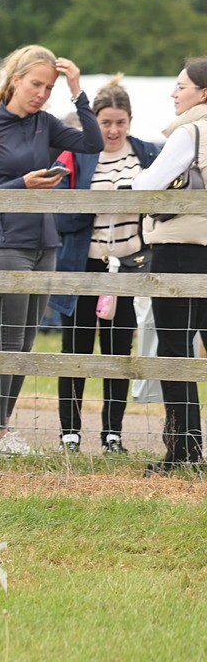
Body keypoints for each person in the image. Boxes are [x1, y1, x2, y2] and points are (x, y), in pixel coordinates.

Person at [0, 45, 104, 457]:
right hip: (6, 243)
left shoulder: (47, 124)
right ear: (15, 79)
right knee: (8, 342)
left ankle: (1, 433)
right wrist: (22, 185)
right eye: (36, 84)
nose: (41, 93)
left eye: (49, 86)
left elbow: (92, 143)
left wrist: (77, 90)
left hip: (46, 243)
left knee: (25, 345)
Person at [51, 77, 160, 456]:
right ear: (92, 122)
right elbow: (58, 215)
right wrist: (94, 205)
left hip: (128, 267)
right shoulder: (75, 156)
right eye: (105, 123)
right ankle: (70, 433)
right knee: (75, 350)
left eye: (120, 123)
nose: (113, 131)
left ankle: (112, 434)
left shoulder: (147, 154)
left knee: (117, 353)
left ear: (130, 121)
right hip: (82, 264)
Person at [131, 56, 207, 475]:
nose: (174, 93)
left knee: (175, 349)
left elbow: (146, 185)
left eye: (181, 86)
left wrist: (136, 177)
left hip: (182, 248)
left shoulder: (191, 132)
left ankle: (182, 450)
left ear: (203, 93)